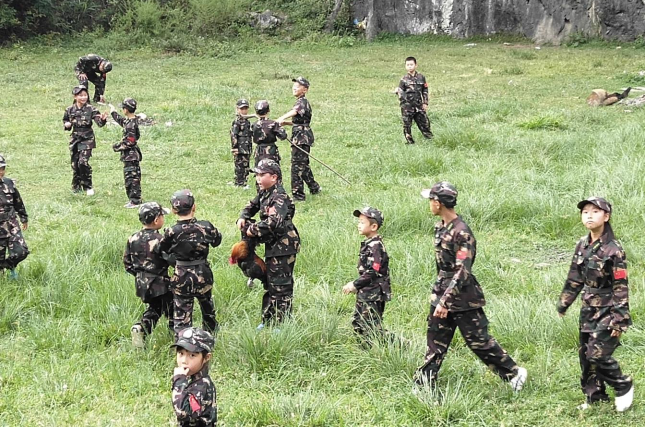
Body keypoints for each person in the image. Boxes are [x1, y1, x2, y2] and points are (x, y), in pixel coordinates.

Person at [414, 181, 527, 392]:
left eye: (431, 200)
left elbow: (463, 271)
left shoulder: (462, 233)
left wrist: (445, 300)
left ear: (438, 203)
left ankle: (513, 373)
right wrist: (439, 297)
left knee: (478, 341)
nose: (429, 204)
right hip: (442, 289)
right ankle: (423, 383)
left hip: (464, 297)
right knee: (435, 339)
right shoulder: (440, 226)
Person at [558, 197, 634, 412]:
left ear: (606, 216)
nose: (589, 215)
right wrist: (564, 303)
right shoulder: (582, 245)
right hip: (588, 308)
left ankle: (622, 384)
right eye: (585, 212)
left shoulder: (614, 250)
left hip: (609, 309)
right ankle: (595, 397)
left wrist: (619, 320)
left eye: (595, 211)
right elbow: (575, 277)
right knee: (585, 355)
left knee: (597, 354)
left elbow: (621, 286)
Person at [237, 159, 300, 329]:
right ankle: (268, 320)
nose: (258, 178)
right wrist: (243, 216)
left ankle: (282, 325)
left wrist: (252, 230)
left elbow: (273, 222)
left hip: (283, 246)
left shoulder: (279, 197)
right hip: (273, 245)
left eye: (262, 175)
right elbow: (251, 206)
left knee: (281, 287)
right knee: (271, 284)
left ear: (274, 177)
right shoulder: (265, 192)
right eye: (256, 175)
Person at [159, 190, 222, 336]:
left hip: (182, 276)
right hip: (203, 273)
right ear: (194, 207)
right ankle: (210, 337)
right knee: (207, 307)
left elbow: (162, 249)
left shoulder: (171, 232)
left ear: (174, 211)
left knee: (182, 314)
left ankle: (183, 346)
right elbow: (217, 241)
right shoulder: (206, 226)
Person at [123, 202, 174, 348]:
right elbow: (171, 259)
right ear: (157, 220)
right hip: (161, 283)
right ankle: (177, 339)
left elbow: (127, 263)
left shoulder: (132, 238)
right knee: (173, 310)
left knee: (156, 308)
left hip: (141, 283)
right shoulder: (160, 240)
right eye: (162, 215)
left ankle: (141, 329)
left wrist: (140, 275)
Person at [342, 207, 391, 342]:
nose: (359, 225)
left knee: (373, 328)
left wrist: (354, 284)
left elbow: (373, 271)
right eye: (359, 222)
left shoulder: (376, 246)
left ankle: (401, 345)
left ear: (374, 226)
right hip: (366, 291)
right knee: (358, 323)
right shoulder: (369, 243)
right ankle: (364, 352)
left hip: (373, 292)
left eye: (362, 222)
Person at [277, 77, 321, 201]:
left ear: (305, 90)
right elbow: (303, 121)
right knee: (303, 164)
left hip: (301, 138)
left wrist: (281, 118)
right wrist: (287, 123)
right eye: (294, 85)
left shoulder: (302, 102)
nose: (295, 87)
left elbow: (295, 111)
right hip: (302, 135)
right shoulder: (301, 101)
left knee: (297, 166)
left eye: (298, 85)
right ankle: (314, 187)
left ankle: (298, 195)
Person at [63, 85, 108, 196]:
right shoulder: (70, 109)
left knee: (83, 162)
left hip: (87, 139)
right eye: (80, 95)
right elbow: (66, 121)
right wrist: (67, 125)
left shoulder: (91, 109)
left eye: (85, 95)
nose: (83, 97)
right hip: (75, 139)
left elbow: (99, 122)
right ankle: (76, 186)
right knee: (75, 164)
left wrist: (102, 119)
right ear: (75, 96)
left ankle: (88, 186)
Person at [172, 327, 217, 426]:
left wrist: (179, 382)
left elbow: (182, 413)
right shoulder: (193, 379)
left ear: (206, 357)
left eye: (192, 355)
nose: (184, 360)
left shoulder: (202, 385)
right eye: (181, 353)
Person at [0, 154, 29, 280]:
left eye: (2, 168)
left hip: (11, 224)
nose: (1, 172)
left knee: (21, 251)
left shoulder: (9, 183)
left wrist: (23, 217)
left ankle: (9, 265)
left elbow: (18, 201)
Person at [110, 98, 142, 208]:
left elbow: (130, 141)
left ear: (125, 110)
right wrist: (113, 112)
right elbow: (122, 121)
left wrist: (117, 146)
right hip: (131, 155)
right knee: (132, 177)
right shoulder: (131, 121)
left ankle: (135, 200)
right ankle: (134, 199)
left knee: (132, 178)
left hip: (131, 156)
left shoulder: (130, 125)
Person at [393, 56, 433, 144]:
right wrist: (398, 93)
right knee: (407, 125)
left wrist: (425, 102)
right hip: (407, 107)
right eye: (407, 65)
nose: (410, 66)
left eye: (411, 64)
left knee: (424, 123)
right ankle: (410, 142)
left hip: (419, 106)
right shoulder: (403, 79)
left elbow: (425, 89)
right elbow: (400, 91)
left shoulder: (421, 77)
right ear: (405, 66)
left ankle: (430, 139)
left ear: (416, 65)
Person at [251, 100, 287, 167]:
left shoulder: (254, 125)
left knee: (260, 171)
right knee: (272, 170)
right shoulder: (273, 123)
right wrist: (280, 126)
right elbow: (283, 136)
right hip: (271, 151)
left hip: (259, 151)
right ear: (268, 110)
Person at [230, 99, 253, 189]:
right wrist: (234, 147)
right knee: (239, 166)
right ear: (237, 109)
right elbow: (233, 135)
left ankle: (244, 181)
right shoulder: (237, 122)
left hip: (247, 147)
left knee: (246, 165)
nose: (244, 110)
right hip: (239, 148)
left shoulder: (247, 121)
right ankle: (239, 182)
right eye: (242, 108)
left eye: (246, 108)